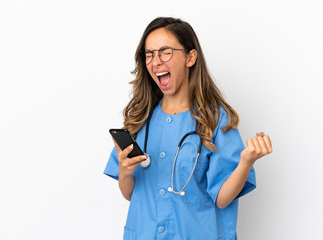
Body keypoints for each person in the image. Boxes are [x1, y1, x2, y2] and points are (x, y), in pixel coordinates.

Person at [104, 17, 273, 240]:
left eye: (165, 52)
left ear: (190, 57)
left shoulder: (215, 120)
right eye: (149, 54)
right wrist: (125, 172)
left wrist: (246, 162)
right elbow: (131, 194)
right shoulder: (140, 118)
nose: (155, 62)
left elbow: (222, 199)